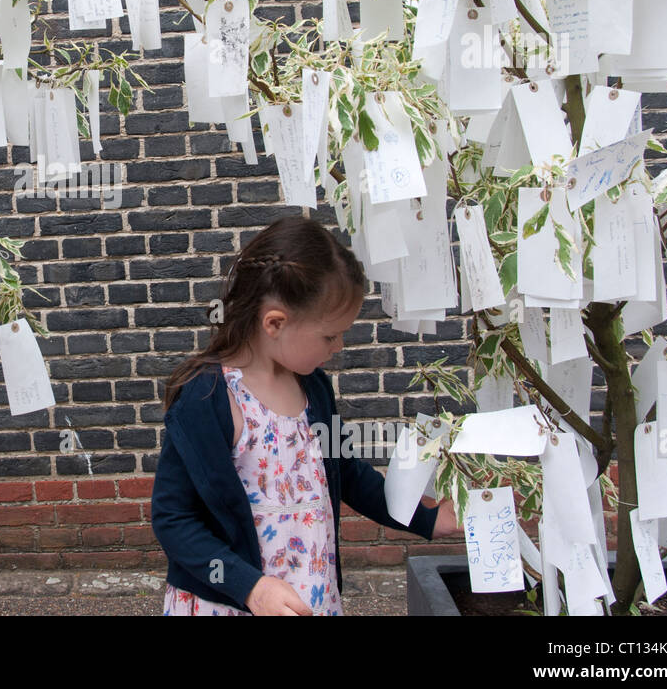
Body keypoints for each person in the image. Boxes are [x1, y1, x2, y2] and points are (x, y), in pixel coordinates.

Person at [151, 213, 462, 615]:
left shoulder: (313, 388)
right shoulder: (206, 398)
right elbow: (174, 518)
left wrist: (425, 518)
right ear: (275, 323)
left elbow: (348, 474)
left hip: (310, 597)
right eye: (330, 335)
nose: (340, 346)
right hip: (230, 603)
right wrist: (251, 588)